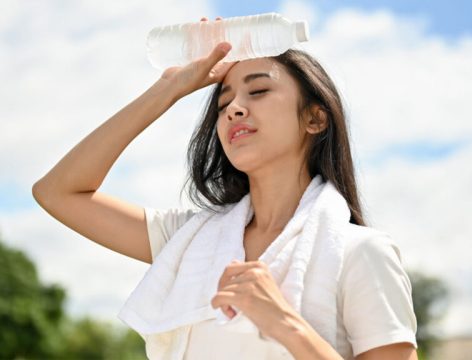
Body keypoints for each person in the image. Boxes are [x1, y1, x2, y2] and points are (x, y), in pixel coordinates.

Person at [32, 16, 418, 360]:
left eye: (259, 91)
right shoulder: (188, 242)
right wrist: (168, 89)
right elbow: (57, 192)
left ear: (315, 118)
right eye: (223, 102)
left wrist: (286, 324)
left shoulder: (362, 253)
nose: (234, 108)